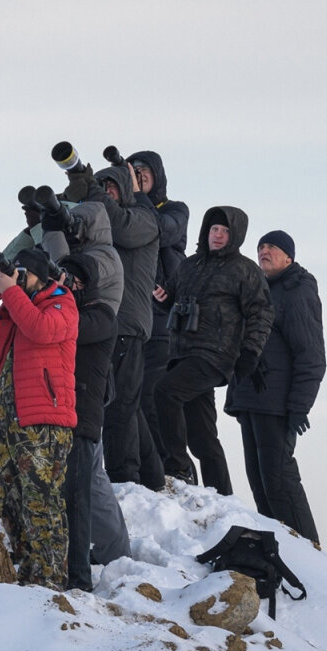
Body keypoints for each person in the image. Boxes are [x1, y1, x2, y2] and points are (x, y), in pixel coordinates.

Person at [0, 248, 78, 590]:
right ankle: (27, 575)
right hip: (7, 422)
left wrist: (10, 293)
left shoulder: (61, 304)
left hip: (44, 424)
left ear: (41, 277)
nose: (16, 279)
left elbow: (41, 330)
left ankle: (51, 580)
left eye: (22, 274)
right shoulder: (11, 307)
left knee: (42, 503)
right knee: (14, 503)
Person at [152, 206, 273, 495]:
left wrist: (251, 353)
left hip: (215, 354)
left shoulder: (244, 269)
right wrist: (164, 299)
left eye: (225, 231)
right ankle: (223, 496)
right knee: (203, 436)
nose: (218, 235)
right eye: (214, 229)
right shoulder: (190, 265)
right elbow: (171, 296)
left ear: (236, 235)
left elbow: (262, 313)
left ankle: (178, 466)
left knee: (165, 392)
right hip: (183, 351)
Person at [64, 163, 162, 489]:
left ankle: (124, 481)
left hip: (126, 323)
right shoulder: (103, 226)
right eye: (102, 187)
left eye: (112, 187)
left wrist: (90, 189)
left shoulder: (144, 220)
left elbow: (117, 225)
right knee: (125, 405)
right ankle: (151, 478)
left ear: (126, 189)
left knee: (119, 409)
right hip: (102, 321)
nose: (106, 193)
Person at [225, 231, 325, 543]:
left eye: (272, 247)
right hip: (251, 399)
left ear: (288, 257)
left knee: (280, 480)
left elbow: (311, 355)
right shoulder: (256, 291)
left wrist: (299, 406)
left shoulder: (296, 290)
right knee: (260, 483)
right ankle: (279, 552)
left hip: (277, 403)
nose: (264, 251)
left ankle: (310, 554)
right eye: (261, 247)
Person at [125, 151, 192, 485]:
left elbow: (162, 231)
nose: (138, 175)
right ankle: (146, 473)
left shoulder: (175, 210)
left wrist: (137, 196)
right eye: (132, 171)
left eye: (144, 171)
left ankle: (175, 472)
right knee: (128, 400)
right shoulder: (125, 215)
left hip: (162, 319)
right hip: (131, 319)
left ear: (158, 175)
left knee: (154, 399)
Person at [56, 253, 119, 591]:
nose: (63, 283)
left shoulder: (102, 316)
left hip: (84, 418)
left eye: (69, 278)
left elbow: (69, 328)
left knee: (81, 497)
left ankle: (81, 581)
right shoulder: (68, 310)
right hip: (62, 413)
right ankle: (113, 557)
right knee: (84, 488)